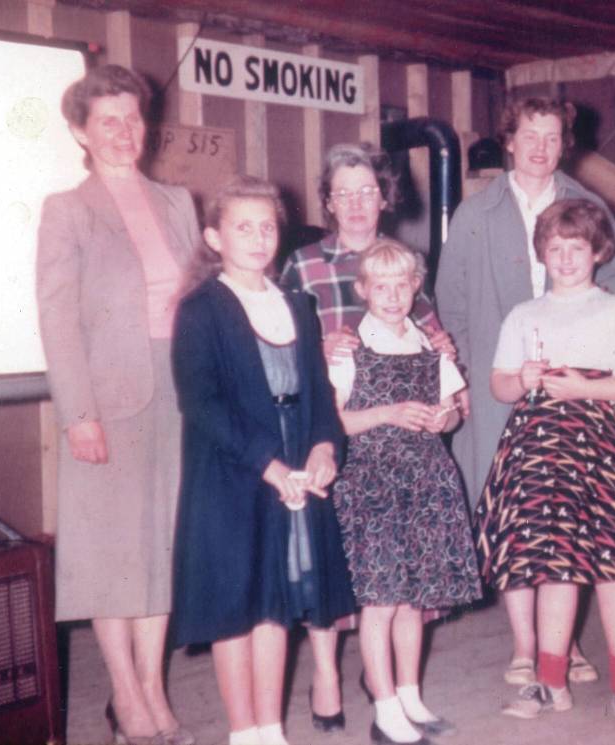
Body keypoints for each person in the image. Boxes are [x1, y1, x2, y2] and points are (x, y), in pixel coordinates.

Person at [435, 96, 615, 687]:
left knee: (569, 514)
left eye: (552, 137)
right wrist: (472, 382)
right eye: (531, 134)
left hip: (572, 387)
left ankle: (566, 641)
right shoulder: (476, 213)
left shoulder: (588, 204)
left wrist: (593, 345)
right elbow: (452, 305)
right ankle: (526, 645)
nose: (541, 147)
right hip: (500, 383)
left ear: (563, 144)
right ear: (510, 139)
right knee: (514, 515)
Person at [475, 199, 615, 728]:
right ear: (542, 255)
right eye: (555, 248)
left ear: (598, 252)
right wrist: (522, 380)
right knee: (554, 566)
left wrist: (583, 388)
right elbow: (499, 385)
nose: (567, 258)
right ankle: (551, 683)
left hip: (606, 447)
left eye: (577, 248)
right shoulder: (524, 315)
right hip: (541, 450)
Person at [36, 65, 199, 745]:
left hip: (181, 389)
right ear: (80, 130)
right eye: (108, 120)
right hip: (107, 395)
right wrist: (78, 413)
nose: (124, 132)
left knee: (161, 545)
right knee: (110, 551)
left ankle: (156, 693)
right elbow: (57, 316)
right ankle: (127, 700)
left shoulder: (179, 200)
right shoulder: (67, 210)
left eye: (132, 118)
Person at [170, 176, 356, 745]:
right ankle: (243, 731)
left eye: (267, 226)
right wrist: (268, 465)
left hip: (295, 474)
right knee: (237, 607)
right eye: (243, 227)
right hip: (234, 476)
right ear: (214, 236)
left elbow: (320, 393)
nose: (258, 238)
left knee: (278, 602)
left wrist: (325, 446)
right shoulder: (201, 308)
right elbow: (200, 403)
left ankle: (271, 729)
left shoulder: (298, 304)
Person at [278, 142, 456, 729]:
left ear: (385, 197)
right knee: (331, 563)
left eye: (367, 192)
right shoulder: (304, 264)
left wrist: (444, 387)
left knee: (397, 584)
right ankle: (327, 673)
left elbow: (432, 347)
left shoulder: (407, 266)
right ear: (328, 202)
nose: (356, 204)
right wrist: (315, 347)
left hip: (405, 449)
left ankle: (398, 689)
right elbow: (276, 344)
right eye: (342, 194)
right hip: (327, 425)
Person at [329, 239, 481, 745]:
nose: (392, 296)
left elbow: (457, 409)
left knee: (415, 600)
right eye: (380, 286)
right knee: (381, 601)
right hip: (372, 483)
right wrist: (387, 415)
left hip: (426, 478)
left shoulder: (428, 343)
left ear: (416, 286)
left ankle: (411, 695)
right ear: (362, 290)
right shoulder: (351, 348)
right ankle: (384, 705)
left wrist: (446, 415)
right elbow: (331, 423)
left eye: (402, 284)